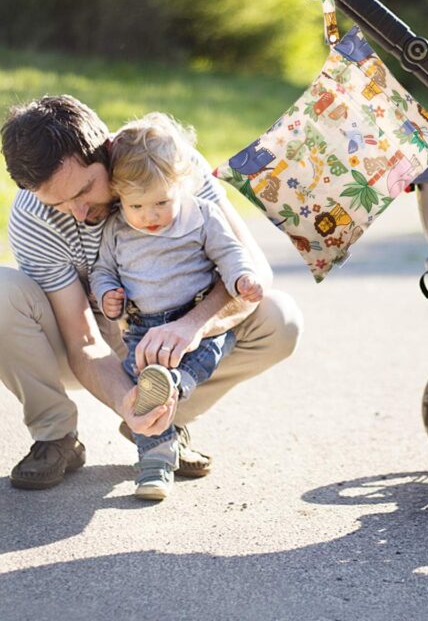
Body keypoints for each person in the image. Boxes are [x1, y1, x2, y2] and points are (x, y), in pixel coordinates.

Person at [0, 95, 302, 492]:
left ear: (106, 151)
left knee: (279, 319)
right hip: (83, 341)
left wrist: (192, 326)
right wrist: (124, 398)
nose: (77, 211)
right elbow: (83, 340)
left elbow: (254, 269)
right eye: (58, 203)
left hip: (175, 336)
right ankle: (57, 437)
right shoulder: (32, 218)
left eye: (84, 190)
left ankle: (160, 424)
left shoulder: (163, 160)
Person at [89, 112, 266, 500]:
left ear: (181, 184)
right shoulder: (117, 228)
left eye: (161, 202)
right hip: (142, 328)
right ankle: (153, 468)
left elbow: (230, 254)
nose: (149, 216)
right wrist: (108, 295)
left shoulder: (202, 216)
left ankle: (175, 384)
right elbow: (103, 270)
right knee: (141, 392)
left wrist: (242, 280)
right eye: (137, 206)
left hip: (197, 316)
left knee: (202, 356)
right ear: (119, 195)